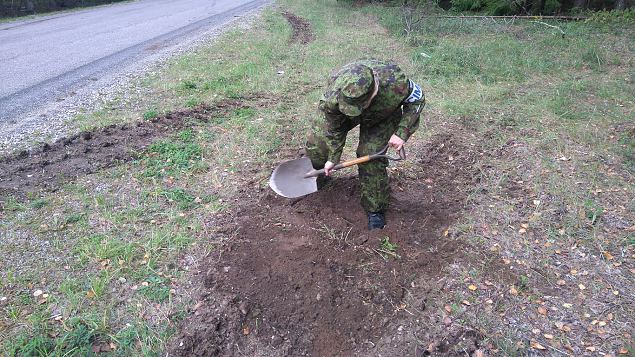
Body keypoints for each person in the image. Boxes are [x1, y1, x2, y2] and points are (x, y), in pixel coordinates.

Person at [305, 59, 425, 230]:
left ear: (373, 93)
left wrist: (401, 132)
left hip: (382, 114)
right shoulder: (335, 93)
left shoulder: (395, 81)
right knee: (318, 141)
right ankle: (317, 175)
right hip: (342, 110)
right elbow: (333, 127)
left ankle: (375, 209)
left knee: (370, 156)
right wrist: (333, 157)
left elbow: (418, 100)